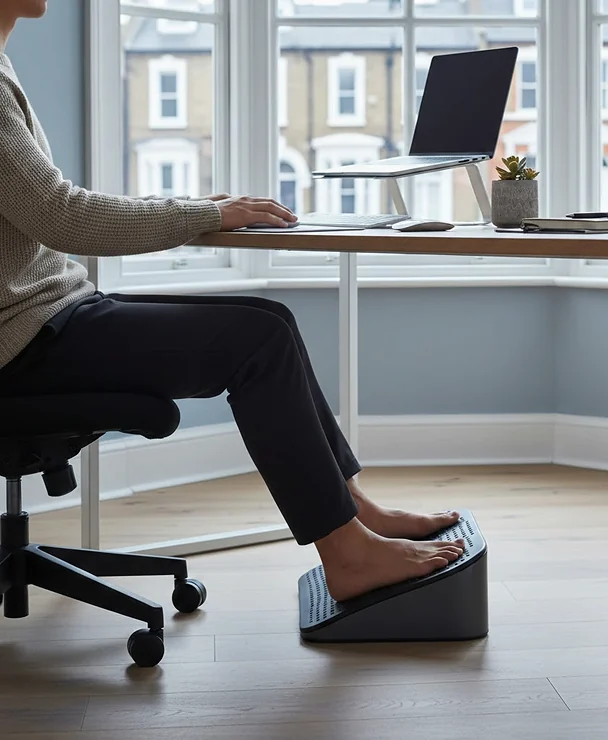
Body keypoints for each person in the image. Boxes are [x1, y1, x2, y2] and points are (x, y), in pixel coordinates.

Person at [0, 0, 464, 603]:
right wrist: (202, 215)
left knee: (268, 319)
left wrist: (198, 212)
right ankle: (347, 556)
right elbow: (64, 217)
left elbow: (54, 208)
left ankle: (351, 509)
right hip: (24, 339)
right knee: (259, 341)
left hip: (50, 317)